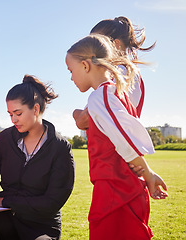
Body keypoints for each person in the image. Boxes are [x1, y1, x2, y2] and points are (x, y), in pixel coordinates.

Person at [65, 34, 168, 240]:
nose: (71, 78)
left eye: (71, 70)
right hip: (119, 188)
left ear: (85, 66)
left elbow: (125, 140)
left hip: (116, 191)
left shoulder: (100, 97)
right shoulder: (114, 93)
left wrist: (148, 174)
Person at [0, 75, 75, 240]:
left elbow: (52, 203)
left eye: (18, 113)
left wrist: (6, 201)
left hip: (40, 224)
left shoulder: (60, 147)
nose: (13, 120)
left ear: (35, 109)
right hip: (6, 217)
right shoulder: (5, 139)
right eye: (10, 114)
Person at [73, 16, 155, 130]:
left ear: (116, 45)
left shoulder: (124, 73)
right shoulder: (120, 74)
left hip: (114, 147)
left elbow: (84, 120)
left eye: (97, 44)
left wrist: (78, 115)